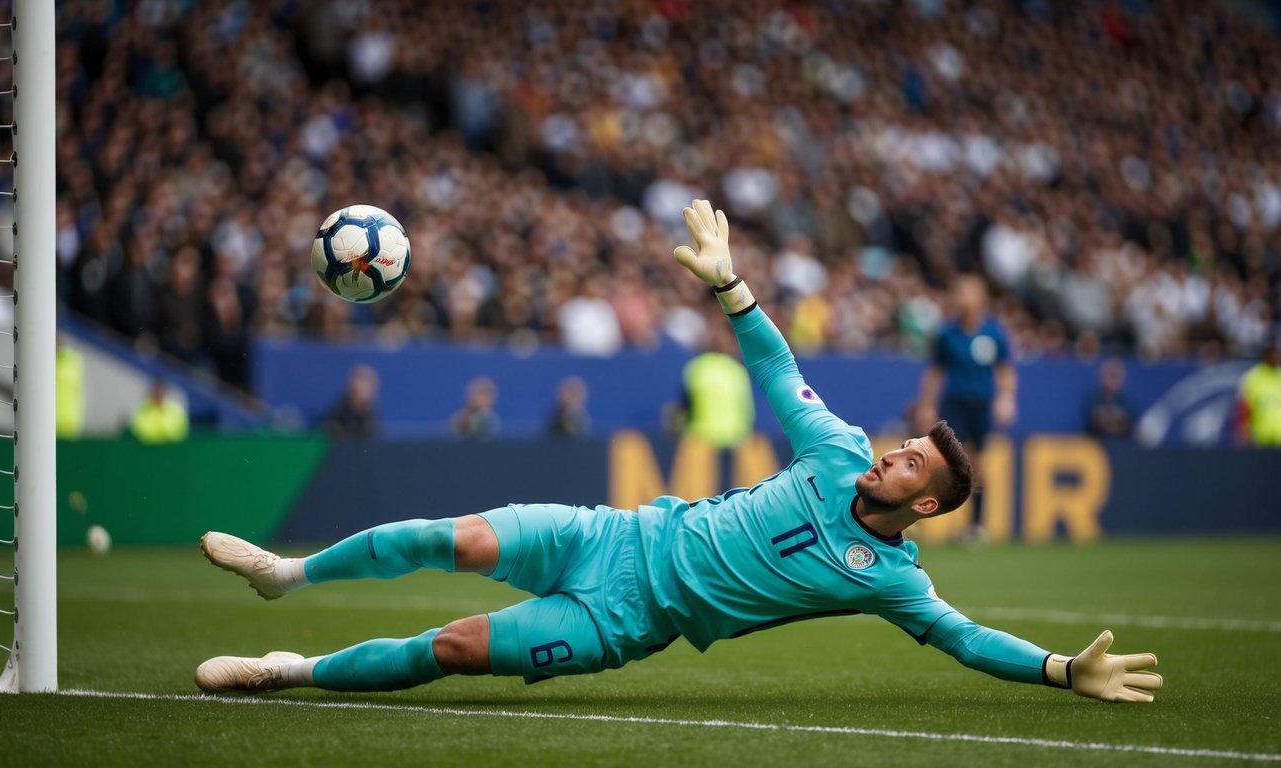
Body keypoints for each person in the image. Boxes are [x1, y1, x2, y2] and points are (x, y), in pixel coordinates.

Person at [195, 200, 1161, 704]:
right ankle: (287, 574)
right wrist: (731, 287)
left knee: (451, 648)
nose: (891, 456)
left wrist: (1054, 669)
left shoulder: (890, 580)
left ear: (926, 507)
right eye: (901, 446)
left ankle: (287, 670)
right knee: (455, 537)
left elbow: (962, 637)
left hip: (631, 615)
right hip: (612, 536)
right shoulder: (835, 453)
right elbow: (778, 372)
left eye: (912, 465)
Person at [914, 273, 1017, 541]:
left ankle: (975, 526)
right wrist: (926, 405)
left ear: (981, 297)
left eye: (970, 292)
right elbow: (935, 373)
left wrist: (1006, 397)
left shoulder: (993, 332)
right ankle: (916, 519)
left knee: (977, 463)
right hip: (955, 403)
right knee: (939, 460)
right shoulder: (947, 333)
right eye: (960, 292)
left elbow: (1004, 370)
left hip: (980, 405)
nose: (964, 298)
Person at [664, 317, 755, 449]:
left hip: (732, 446)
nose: (721, 339)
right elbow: (683, 406)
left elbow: (746, 413)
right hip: (701, 445)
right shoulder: (698, 367)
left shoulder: (738, 371)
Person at [1236, 340, 1281, 447]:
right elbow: (1244, 409)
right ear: (1266, 356)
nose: (1277, 358)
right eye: (1274, 354)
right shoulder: (1252, 378)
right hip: (1261, 438)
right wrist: (1243, 434)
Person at [1083, 358, 1137, 440]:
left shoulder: (1128, 403)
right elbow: (1092, 420)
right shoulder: (1092, 399)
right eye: (1111, 375)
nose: (1113, 380)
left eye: (1117, 376)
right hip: (1096, 444)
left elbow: (1129, 422)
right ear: (1101, 376)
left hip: (1123, 445)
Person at [322, 365, 380, 440]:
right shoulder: (337, 416)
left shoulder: (371, 417)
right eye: (365, 389)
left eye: (372, 388)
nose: (370, 393)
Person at [129, 377, 189, 444]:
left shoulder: (176, 409)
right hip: (147, 447)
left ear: (166, 393)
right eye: (156, 391)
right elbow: (140, 431)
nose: (158, 394)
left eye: (161, 391)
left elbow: (180, 431)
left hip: (171, 447)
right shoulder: (141, 409)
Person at [450, 376, 501, 441]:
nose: (480, 399)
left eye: (484, 394)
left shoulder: (493, 422)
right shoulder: (459, 420)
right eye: (479, 393)